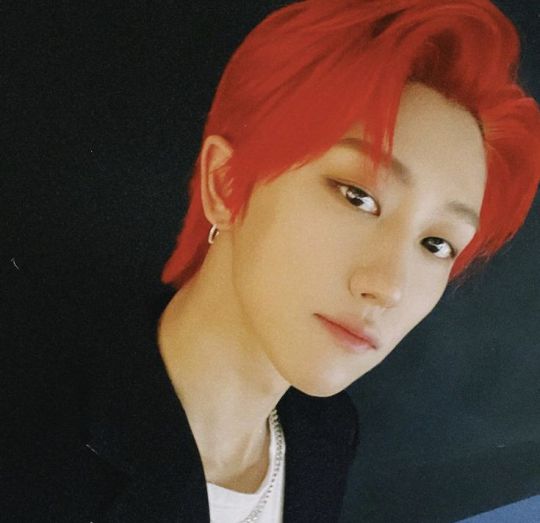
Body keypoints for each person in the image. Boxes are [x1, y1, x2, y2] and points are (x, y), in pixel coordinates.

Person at [3, 1, 539, 522]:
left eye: (437, 244)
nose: (388, 286)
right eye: (357, 196)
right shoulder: (33, 461)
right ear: (226, 184)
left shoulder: (324, 434)